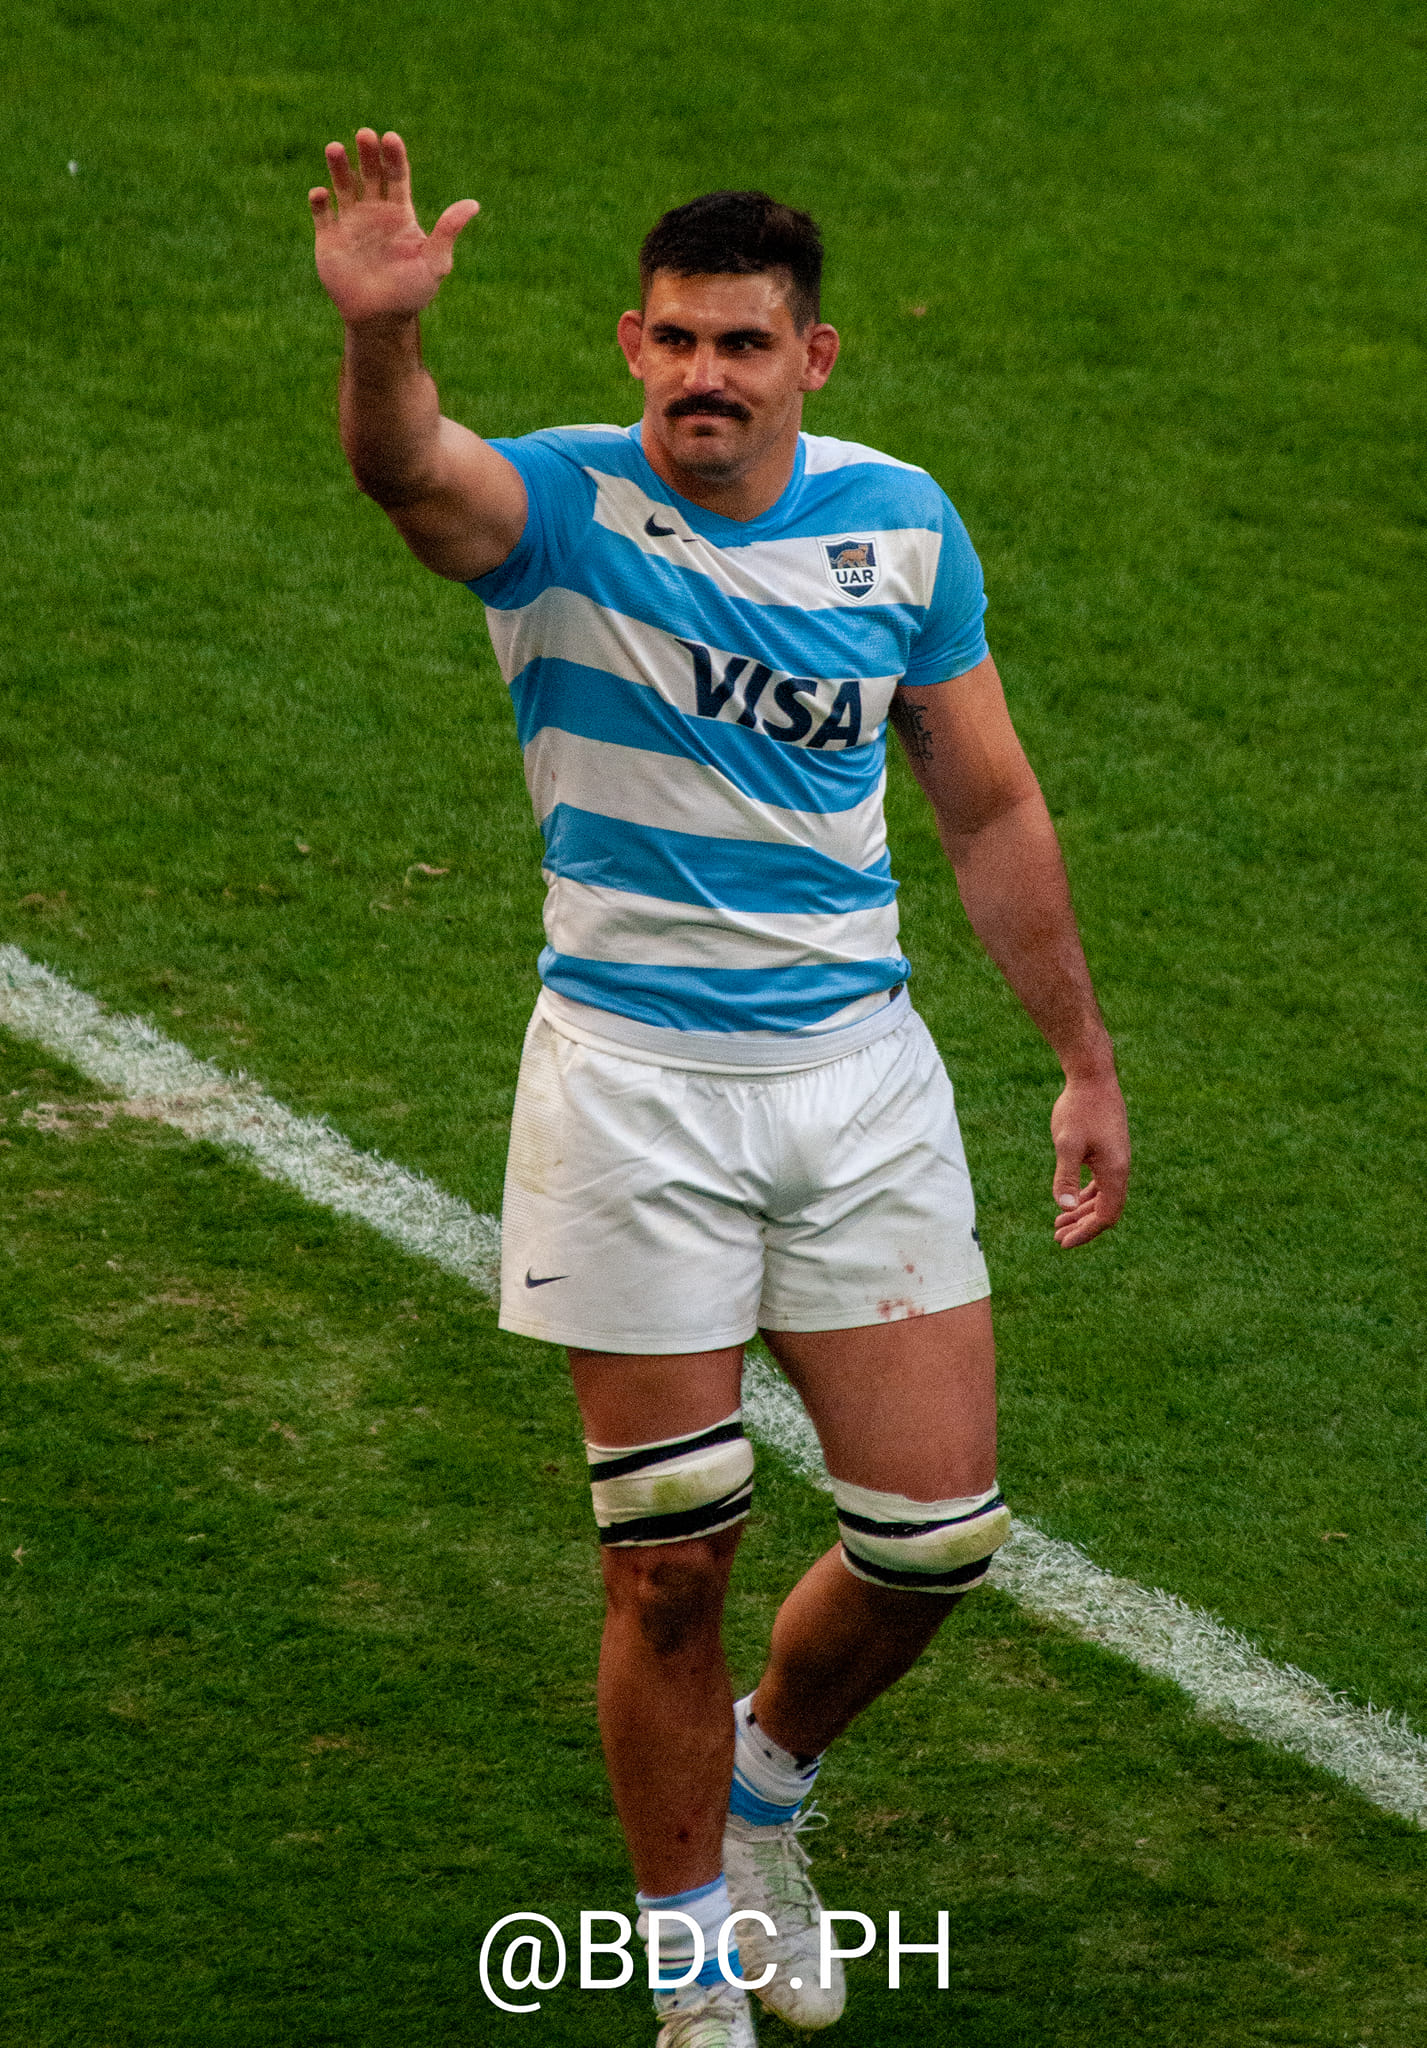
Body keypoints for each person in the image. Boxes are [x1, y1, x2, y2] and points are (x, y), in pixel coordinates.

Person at [311, 130, 1129, 2048]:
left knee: (938, 1537)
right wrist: (379, 345)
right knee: (670, 1559)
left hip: (859, 1080)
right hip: (633, 1093)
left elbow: (988, 799)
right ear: (628, 343)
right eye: (673, 342)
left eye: (742, 347)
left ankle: (763, 1790)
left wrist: (1081, 1056)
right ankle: (690, 1987)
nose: (702, 378)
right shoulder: (563, 513)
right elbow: (410, 475)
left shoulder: (902, 527)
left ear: (812, 359)